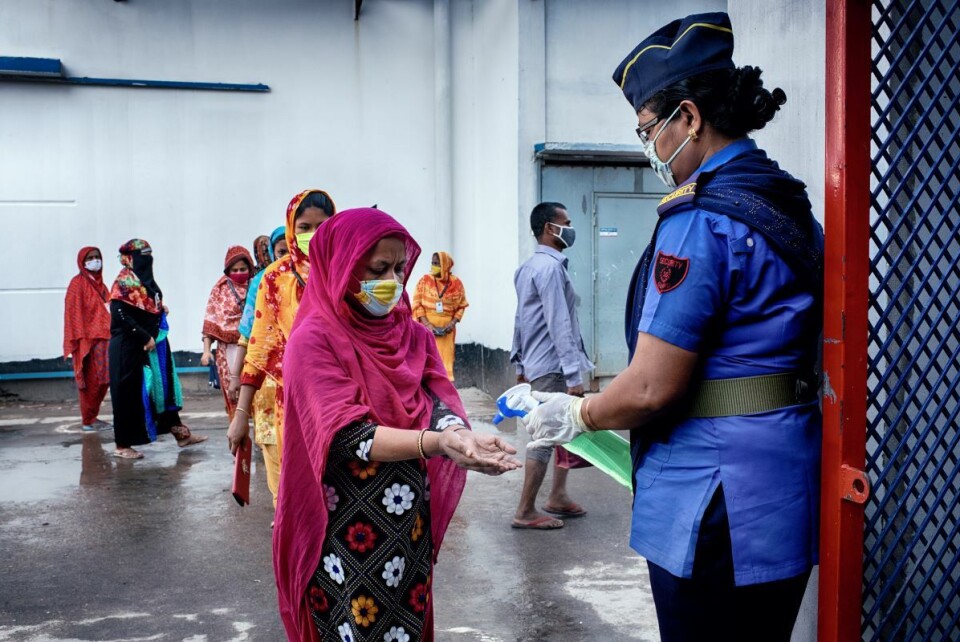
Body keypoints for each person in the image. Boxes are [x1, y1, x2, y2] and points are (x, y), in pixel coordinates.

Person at [521, 12, 823, 641]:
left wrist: (576, 416)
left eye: (650, 129)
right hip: (785, 485)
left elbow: (653, 387)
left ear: (689, 118)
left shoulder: (700, 220)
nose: (651, 147)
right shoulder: (786, 201)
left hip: (714, 498)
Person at [244, 207, 519, 642]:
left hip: (406, 520)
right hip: (345, 523)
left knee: (407, 624)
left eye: (398, 267)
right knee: (358, 626)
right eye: (378, 268)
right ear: (343, 266)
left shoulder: (411, 335)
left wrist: (460, 436)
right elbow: (349, 435)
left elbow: (434, 400)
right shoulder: (313, 339)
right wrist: (437, 443)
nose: (391, 280)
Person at [227, 190, 335, 506]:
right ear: (292, 228)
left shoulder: (345, 270)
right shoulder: (275, 279)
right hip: (291, 400)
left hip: (342, 396)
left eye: (322, 225)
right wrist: (240, 415)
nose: (313, 235)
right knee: (294, 490)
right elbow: (259, 348)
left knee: (336, 488)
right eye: (304, 227)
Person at [509, 202, 595, 530]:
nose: (570, 228)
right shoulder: (550, 269)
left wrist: (519, 361)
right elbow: (559, 322)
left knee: (564, 430)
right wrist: (573, 374)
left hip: (536, 362)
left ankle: (557, 495)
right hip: (552, 365)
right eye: (566, 222)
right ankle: (525, 510)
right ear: (550, 228)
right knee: (545, 436)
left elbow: (520, 318)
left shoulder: (528, 268)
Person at [109, 239, 208, 459]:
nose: (147, 260)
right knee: (129, 395)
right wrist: (144, 335)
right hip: (128, 349)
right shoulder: (124, 284)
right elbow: (120, 314)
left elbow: (145, 305)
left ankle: (181, 434)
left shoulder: (144, 282)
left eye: (149, 255)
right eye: (143, 255)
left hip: (152, 346)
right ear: (130, 258)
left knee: (164, 389)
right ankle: (122, 444)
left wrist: (158, 310)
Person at [231, 225, 288, 508]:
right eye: (281, 251)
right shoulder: (265, 282)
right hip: (268, 389)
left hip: (310, 392)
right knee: (273, 451)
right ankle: (281, 509)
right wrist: (235, 382)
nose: (287, 257)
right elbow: (249, 338)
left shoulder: (323, 278)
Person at [201, 246, 255, 421]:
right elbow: (210, 321)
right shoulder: (220, 290)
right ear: (228, 270)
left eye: (243, 269)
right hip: (228, 350)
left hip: (254, 346)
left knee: (257, 396)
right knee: (234, 397)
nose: (239, 273)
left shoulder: (258, 286)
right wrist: (207, 350)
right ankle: (239, 440)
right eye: (234, 270)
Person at [63, 246, 112, 432]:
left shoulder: (101, 285)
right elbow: (72, 313)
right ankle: (88, 420)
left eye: (97, 257)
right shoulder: (77, 284)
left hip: (105, 339)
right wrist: (81, 340)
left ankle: (93, 416)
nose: (94, 261)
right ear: (82, 262)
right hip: (88, 341)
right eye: (90, 258)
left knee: (104, 380)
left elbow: (110, 307)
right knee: (90, 381)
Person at [411, 252, 469, 380]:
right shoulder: (425, 280)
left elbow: (462, 306)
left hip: (447, 333)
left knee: (445, 364)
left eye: (437, 263)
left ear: (445, 265)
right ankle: (428, 395)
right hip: (426, 331)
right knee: (427, 362)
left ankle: (444, 394)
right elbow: (417, 303)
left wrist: (451, 324)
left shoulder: (457, 284)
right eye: (432, 263)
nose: (433, 266)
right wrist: (427, 325)